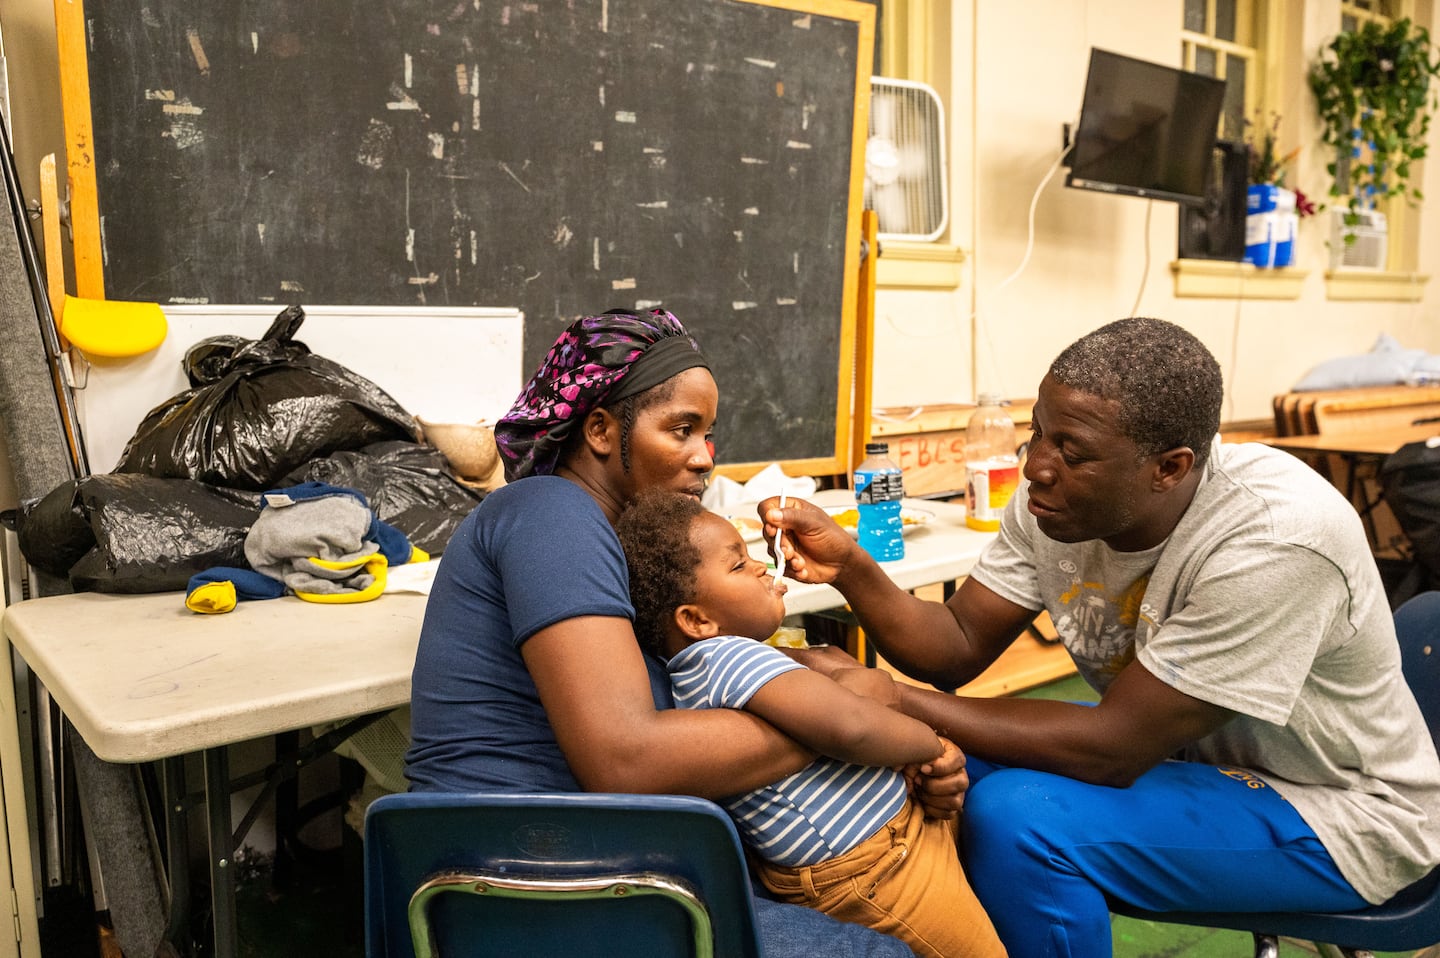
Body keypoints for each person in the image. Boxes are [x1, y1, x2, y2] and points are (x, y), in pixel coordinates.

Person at [762, 317, 1440, 958]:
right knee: (904, 756)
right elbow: (955, 643)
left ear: (1169, 468)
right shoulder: (1057, 503)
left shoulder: (1277, 538)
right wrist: (852, 565)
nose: (1036, 468)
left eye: (1072, 452)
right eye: (1037, 434)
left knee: (1021, 820)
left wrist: (893, 700)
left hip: (1344, 815)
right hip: (1190, 765)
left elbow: (1111, 750)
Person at [405, 308, 958, 958]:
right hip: (525, 889)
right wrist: (850, 720)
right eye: (681, 430)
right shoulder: (552, 515)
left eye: (708, 433)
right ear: (603, 430)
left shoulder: (617, 537)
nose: (706, 457)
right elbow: (626, 758)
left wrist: (831, 693)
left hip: (591, 861)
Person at [615, 489, 1006, 958]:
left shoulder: (711, 666)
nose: (762, 566)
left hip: (887, 852)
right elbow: (852, 727)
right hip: (877, 871)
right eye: (738, 565)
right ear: (697, 620)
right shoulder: (726, 658)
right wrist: (931, 744)